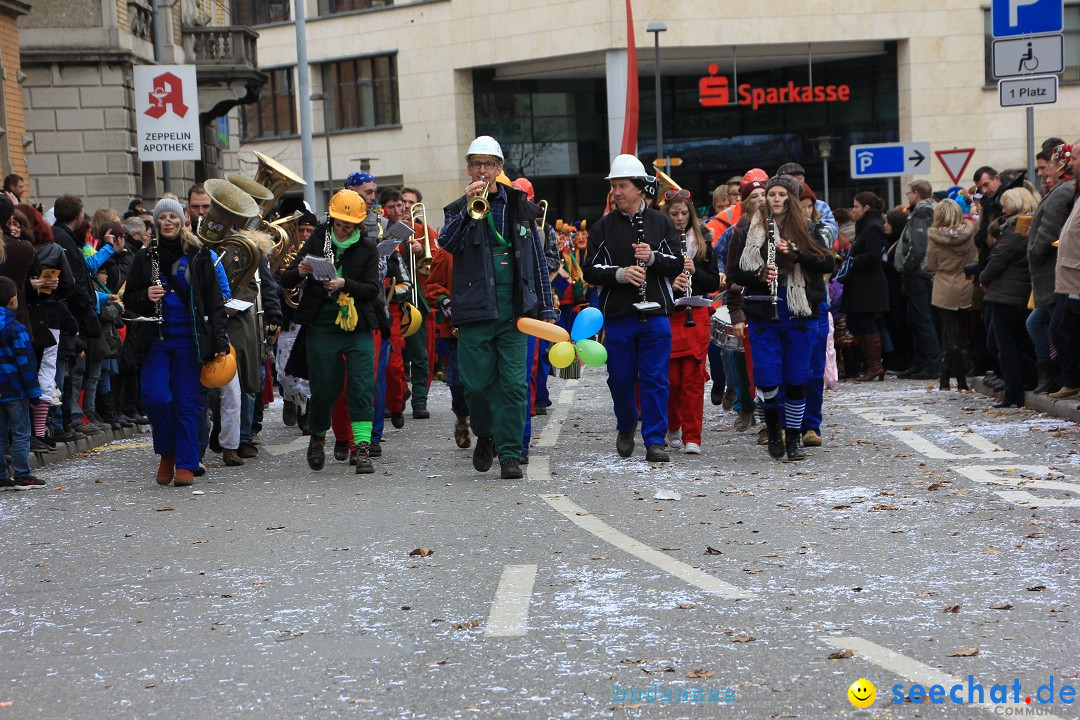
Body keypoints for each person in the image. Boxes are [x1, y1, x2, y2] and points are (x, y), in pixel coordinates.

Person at [439, 136, 556, 479]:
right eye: (476, 164)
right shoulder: (457, 207)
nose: (482, 170)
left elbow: (535, 259)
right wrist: (469, 208)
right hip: (475, 309)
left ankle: (508, 453)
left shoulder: (520, 205)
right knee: (475, 386)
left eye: (489, 164)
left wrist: (546, 308)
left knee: (514, 385)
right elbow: (447, 243)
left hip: (514, 310)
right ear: (468, 169)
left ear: (499, 169)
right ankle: (486, 434)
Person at [122, 198, 229, 487]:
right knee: (157, 398)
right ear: (156, 223)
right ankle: (166, 453)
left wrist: (219, 338)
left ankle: (186, 463)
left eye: (173, 216)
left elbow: (214, 301)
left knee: (186, 402)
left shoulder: (198, 254)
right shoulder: (145, 258)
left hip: (189, 340)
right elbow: (128, 300)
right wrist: (146, 296)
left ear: (181, 221)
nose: (168, 221)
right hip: (155, 339)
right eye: (163, 217)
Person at [583, 154, 682, 462]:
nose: (617, 192)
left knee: (655, 378)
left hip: (655, 314)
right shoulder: (602, 227)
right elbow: (589, 270)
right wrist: (620, 274)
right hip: (619, 315)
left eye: (623, 186)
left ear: (640, 188)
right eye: (614, 186)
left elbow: (677, 263)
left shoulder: (661, 222)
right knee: (621, 378)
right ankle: (627, 425)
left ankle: (655, 439)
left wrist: (652, 258)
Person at [729, 175, 834, 462]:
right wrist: (759, 274)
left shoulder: (809, 228)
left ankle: (795, 436)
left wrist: (799, 254)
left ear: (791, 199)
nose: (774, 199)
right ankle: (774, 431)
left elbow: (827, 262)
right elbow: (736, 273)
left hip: (799, 312)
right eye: (770, 194)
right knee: (767, 378)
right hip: (765, 313)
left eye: (780, 194)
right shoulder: (748, 229)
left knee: (797, 377)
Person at [282, 189, 382, 474]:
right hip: (322, 325)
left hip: (357, 325)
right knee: (325, 388)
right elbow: (286, 277)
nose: (341, 228)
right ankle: (317, 435)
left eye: (347, 225)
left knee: (362, 386)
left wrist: (344, 283)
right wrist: (300, 270)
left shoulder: (367, 247)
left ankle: (362, 449)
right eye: (338, 223)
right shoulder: (317, 238)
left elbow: (373, 290)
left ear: (358, 224)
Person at [662, 189, 719, 455]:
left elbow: (713, 282)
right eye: (674, 214)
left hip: (695, 315)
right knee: (671, 379)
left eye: (684, 213)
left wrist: (695, 273)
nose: (680, 218)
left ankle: (692, 435)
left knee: (692, 378)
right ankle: (672, 426)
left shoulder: (704, 240)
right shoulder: (658, 241)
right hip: (669, 314)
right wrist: (671, 284)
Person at [979, 187, 1039, 408]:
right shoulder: (1027, 225)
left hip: (1005, 293)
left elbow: (998, 258)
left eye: (1005, 204)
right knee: (1014, 342)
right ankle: (1026, 380)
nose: (1002, 208)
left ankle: (1014, 391)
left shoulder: (1014, 228)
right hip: (1018, 291)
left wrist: (983, 278)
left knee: (1003, 344)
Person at [1026, 143, 1073, 394]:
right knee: (1043, 324)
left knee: (1058, 328)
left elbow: (1050, 227)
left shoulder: (1063, 191)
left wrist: (1034, 250)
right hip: (1052, 275)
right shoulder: (1060, 190)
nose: (1044, 173)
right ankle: (1056, 376)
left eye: (1049, 166)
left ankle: (1065, 377)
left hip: (1057, 274)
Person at [927, 199, 977, 391]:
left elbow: (931, 264)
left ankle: (960, 379)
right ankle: (945, 378)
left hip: (944, 285)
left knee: (949, 333)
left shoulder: (935, 237)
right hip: (965, 283)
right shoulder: (969, 232)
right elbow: (973, 257)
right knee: (955, 333)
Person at [894, 179, 940, 380]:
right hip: (924, 274)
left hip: (918, 274)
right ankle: (920, 363)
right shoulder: (932, 210)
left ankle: (931, 364)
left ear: (916, 194)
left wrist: (908, 268)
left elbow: (919, 246)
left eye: (909, 193)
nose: (908, 197)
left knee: (922, 320)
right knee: (917, 319)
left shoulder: (921, 213)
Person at [842, 192, 889, 382]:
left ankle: (875, 365)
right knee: (855, 322)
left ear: (866, 208)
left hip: (868, 285)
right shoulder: (866, 225)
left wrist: (852, 261)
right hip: (859, 284)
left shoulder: (872, 227)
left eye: (856, 206)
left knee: (866, 322)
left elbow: (873, 255)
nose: (854, 210)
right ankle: (873, 364)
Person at [0, 276, 42, 489]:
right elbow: (26, 363)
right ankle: (22, 474)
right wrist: (34, 393)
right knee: (20, 432)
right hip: (15, 388)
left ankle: (1, 475)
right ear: (13, 300)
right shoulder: (16, 329)